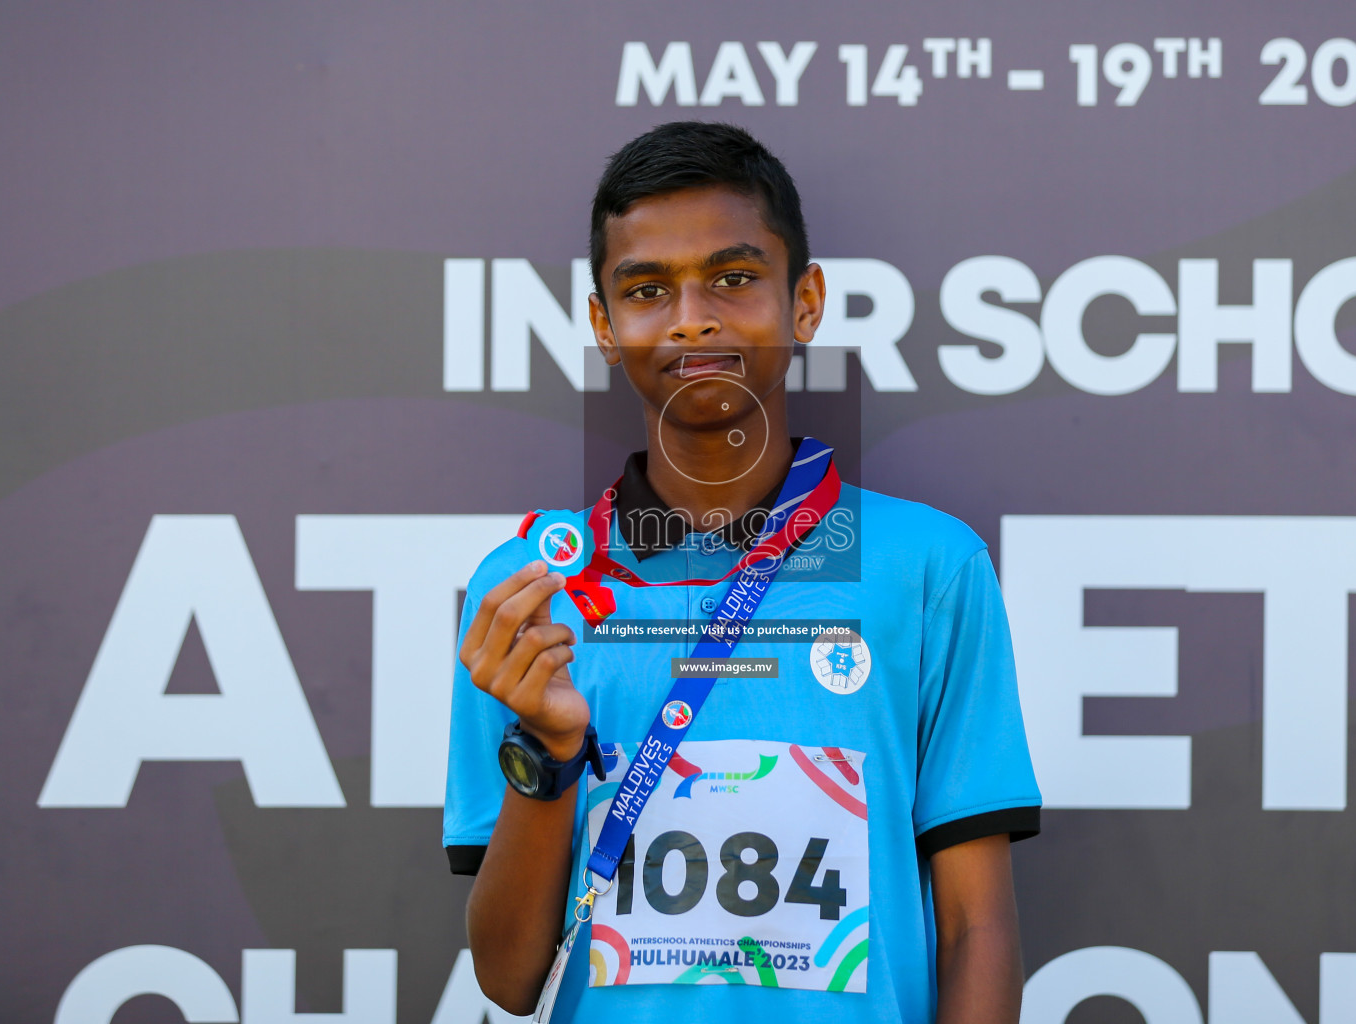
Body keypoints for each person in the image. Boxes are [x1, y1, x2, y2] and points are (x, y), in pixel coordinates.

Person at [444, 120, 1041, 1024]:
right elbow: (508, 976)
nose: (692, 315)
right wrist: (551, 754)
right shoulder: (530, 586)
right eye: (647, 289)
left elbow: (975, 928)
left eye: (733, 278)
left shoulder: (928, 568)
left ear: (805, 303)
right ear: (604, 325)